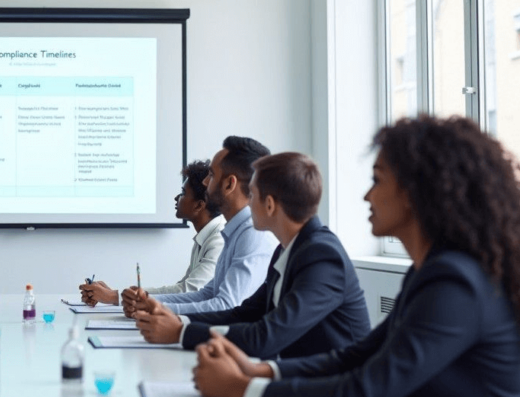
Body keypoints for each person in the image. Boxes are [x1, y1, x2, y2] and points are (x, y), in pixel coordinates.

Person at [194, 116, 520, 397]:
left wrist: (243, 388)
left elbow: (364, 388)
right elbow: (359, 354)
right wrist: (261, 371)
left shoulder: (455, 284)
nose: (367, 194)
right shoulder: (430, 273)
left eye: (377, 180)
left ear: (417, 191)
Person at [135, 152, 371, 360]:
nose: (246, 205)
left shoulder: (322, 254)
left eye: (252, 195)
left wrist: (180, 332)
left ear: (268, 205)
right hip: (299, 381)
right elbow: (245, 313)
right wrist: (178, 322)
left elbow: (266, 335)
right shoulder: (287, 249)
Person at [124, 137, 277, 323]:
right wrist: (149, 303)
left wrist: (156, 310)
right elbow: (207, 294)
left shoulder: (253, 234)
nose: (205, 182)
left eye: (211, 175)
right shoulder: (235, 231)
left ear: (229, 184)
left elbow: (226, 305)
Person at [78, 160, 224, 305]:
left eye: (183, 193)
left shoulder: (219, 240)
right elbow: (180, 289)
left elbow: (188, 291)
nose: (176, 198)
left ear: (199, 205)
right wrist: (122, 295)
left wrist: (114, 296)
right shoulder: (205, 237)